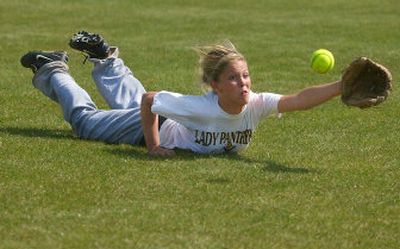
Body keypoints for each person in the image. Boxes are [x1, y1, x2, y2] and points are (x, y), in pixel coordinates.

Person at [21, 31, 341, 157]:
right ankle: (53, 70)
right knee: (85, 123)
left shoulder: (256, 104)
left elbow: (299, 100)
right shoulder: (200, 106)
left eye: (245, 76)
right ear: (215, 86)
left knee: (136, 103)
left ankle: (105, 58)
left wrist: (342, 86)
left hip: (158, 117)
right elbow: (150, 103)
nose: (244, 83)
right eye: (233, 78)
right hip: (149, 126)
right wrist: (154, 146)